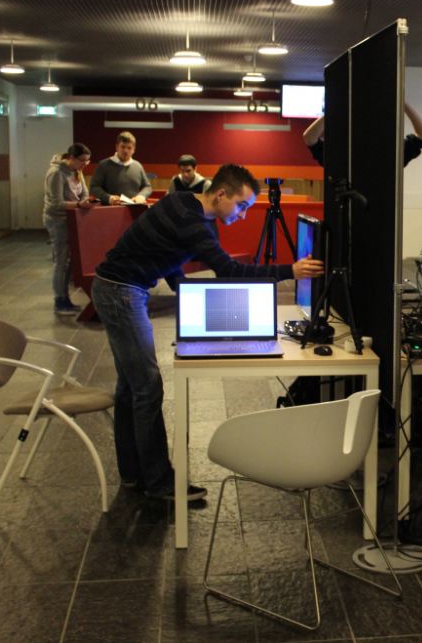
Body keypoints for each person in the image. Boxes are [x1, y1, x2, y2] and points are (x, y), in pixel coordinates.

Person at [91, 164, 324, 501]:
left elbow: (166, 252)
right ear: (220, 194)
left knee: (131, 388)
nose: (243, 215)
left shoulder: (182, 203)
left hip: (119, 288)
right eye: (241, 206)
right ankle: (159, 483)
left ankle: (132, 473)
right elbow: (230, 270)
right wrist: (291, 270)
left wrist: (187, 294)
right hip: (121, 292)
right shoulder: (195, 222)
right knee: (147, 388)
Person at [43, 143, 95, 314]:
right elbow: (56, 204)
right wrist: (79, 204)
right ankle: (60, 300)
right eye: (82, 161)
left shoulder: (77, 170)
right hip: (57, 220)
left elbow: (84, 192)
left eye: (87, 161)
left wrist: (85, 201)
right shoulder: (56, 173)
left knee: (70, 261)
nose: (85, 165)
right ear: (71, 158)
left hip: (73, 219)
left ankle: (66, 298)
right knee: (61, 261)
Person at [302, 102, 422, 167]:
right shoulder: (344, 152)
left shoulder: (388, 151)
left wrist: (402, 101)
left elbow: (309, 138)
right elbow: (309, 137)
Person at [89, 131, 152, 205]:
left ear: (134, 150)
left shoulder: (138, 166)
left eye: (129, 148)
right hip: (110, 209)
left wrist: (141, 196)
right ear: (117, 147)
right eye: (123, 147)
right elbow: (94, 187)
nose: (125, 150)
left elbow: (147, 187)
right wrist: (108, 198)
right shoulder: (103, 165)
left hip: (134, 209)